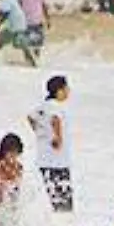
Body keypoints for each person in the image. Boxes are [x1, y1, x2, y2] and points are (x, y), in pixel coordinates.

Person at [27, 75, 73, 213]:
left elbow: (30, 117)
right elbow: (55, 119)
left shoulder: (43, 106)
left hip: (43, 159)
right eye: (66, 89)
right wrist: (57, 137)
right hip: (57, 161)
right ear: (59, 91)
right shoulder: (56, 106)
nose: (68, 92)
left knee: (51, 194)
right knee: (64, 201)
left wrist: (39, 131)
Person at [0, 0, 30, 65]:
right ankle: (31, 61)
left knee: (1, 38)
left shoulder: (5, 0)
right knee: (20, 44)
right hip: (20, 22)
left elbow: (6, 13)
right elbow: (4, 11)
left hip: (15, 24)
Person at [16, 0, 49, 65]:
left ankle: (36, 59)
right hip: (25, 22)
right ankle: (28, 60)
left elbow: (44, 6)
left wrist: (48, 19)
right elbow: (18, 6)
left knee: (38, 42)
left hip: (37, 21)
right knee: (25, 43)